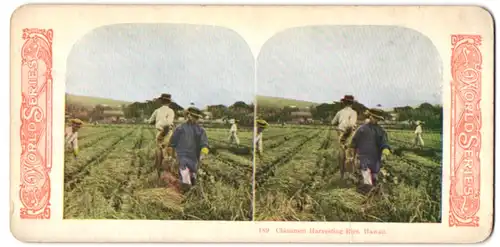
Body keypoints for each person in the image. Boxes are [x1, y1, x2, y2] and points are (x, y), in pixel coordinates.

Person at [349, 108, 391, 191]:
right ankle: (368, 193)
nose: (375, 120)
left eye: (377, 119)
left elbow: (384, 143)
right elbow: (354, 143)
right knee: (366, 177)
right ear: (370, 116)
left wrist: (385, 151)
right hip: (363, 157)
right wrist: (352, 156)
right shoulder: (361, 129)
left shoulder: (381, 131)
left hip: (375, 158)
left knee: (374, 177)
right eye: (374, 117)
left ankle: (374, 190)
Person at [169, 107, 209, 189]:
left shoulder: (201, 130)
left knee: (193, 179)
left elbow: (205, 145)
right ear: (188, 115)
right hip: (182, 158)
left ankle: (190, 194)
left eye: (196, 117)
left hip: (194, 160)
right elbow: (172, 143)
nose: (194, 118)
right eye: (193, 116)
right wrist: (173, 156)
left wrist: (203, 154)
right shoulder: (180, 128)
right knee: (185, 181)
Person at [331, 95, 358, 179]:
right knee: (350, 153)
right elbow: (352, 124)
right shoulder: (353, 112)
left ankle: (342, 174)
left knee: (341, 153)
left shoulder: (340, 112)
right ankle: (350, 174)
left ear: (344, 103)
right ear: (352, 104)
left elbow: (333, 122)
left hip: (340, 132)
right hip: (349, 133)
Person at [148, 93, 176, 164]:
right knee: (168, 149)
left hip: (160, 132)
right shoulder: (171, 111)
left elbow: (150, 121)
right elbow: (169, 122)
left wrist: (155, 122)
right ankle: (169, 161)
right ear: (169, 102)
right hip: (168, 132)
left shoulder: (157, 111)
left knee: (159, 147)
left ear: (161, 101)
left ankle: (159, 163)